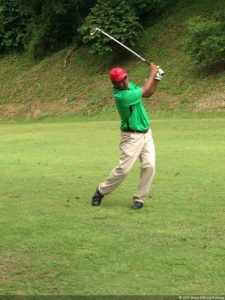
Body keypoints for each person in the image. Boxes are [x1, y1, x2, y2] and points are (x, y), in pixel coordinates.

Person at [91, 63, 162, 209]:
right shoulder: (121, 96)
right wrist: (153, 72)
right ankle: (100, 191)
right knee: (123, 170)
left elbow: (148, 93)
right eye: (120, 81)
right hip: (131, 137)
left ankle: (139, 199)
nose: (124, 82)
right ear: (114, 83)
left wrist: (158, 77)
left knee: (150, 166)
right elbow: (145, 89)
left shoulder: (130, 87)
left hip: (146, 134)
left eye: (125, 78)